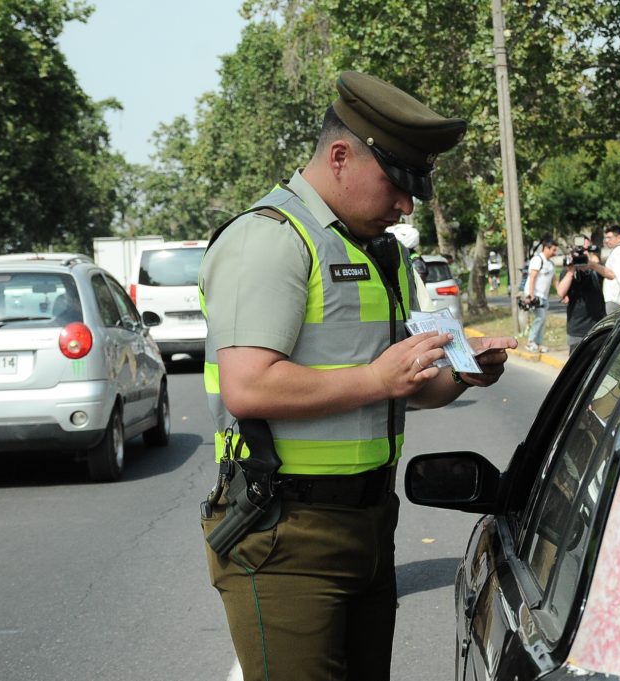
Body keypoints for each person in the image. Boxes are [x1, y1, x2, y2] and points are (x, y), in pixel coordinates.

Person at [197, 71, 517, 681]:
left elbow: (403, 384)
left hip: (370, 522)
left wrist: (460, 376)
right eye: (395, 183)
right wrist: (377, 379)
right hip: (284, 533)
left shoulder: (378, 252)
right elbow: (250, 386)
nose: (405, 205)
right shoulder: (269, 241)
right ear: (340, 157)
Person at [556, 235, 606, 355]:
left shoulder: (595, 269)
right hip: (577, 331)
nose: (583, 253)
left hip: (599, 327)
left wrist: (592, 264)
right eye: (580, 250)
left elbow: (611, 275)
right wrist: (571, 271)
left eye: (586, 249)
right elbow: (560, 293)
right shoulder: (568, 271)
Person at [523, 238, 559, 353]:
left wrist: (562, 294)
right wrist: (531, 295)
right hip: (535, 295)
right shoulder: (537, 260)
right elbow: (532, 277)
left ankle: (538, 344)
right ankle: (530, 342)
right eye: (553, 250)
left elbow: (554, 280)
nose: (555, 253)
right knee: (540, 317)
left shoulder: (551, 264)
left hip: (544, 296)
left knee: (542, 319)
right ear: (546, 248)